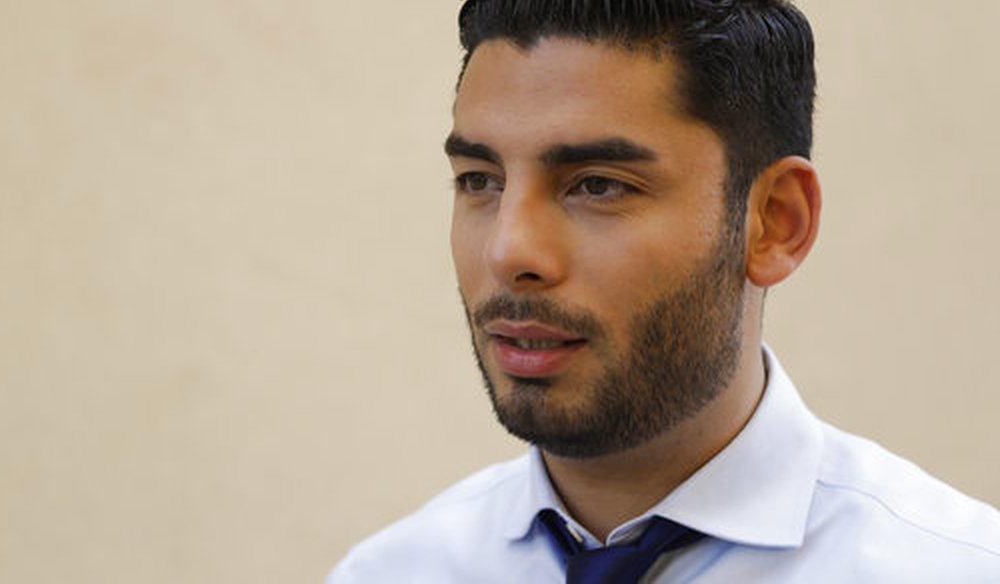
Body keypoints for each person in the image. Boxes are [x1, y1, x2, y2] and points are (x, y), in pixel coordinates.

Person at [327, 1, 1000, 582]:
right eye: (480, 180)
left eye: (598, 185)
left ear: (774, 223)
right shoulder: (388, 573)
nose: (509, 252)